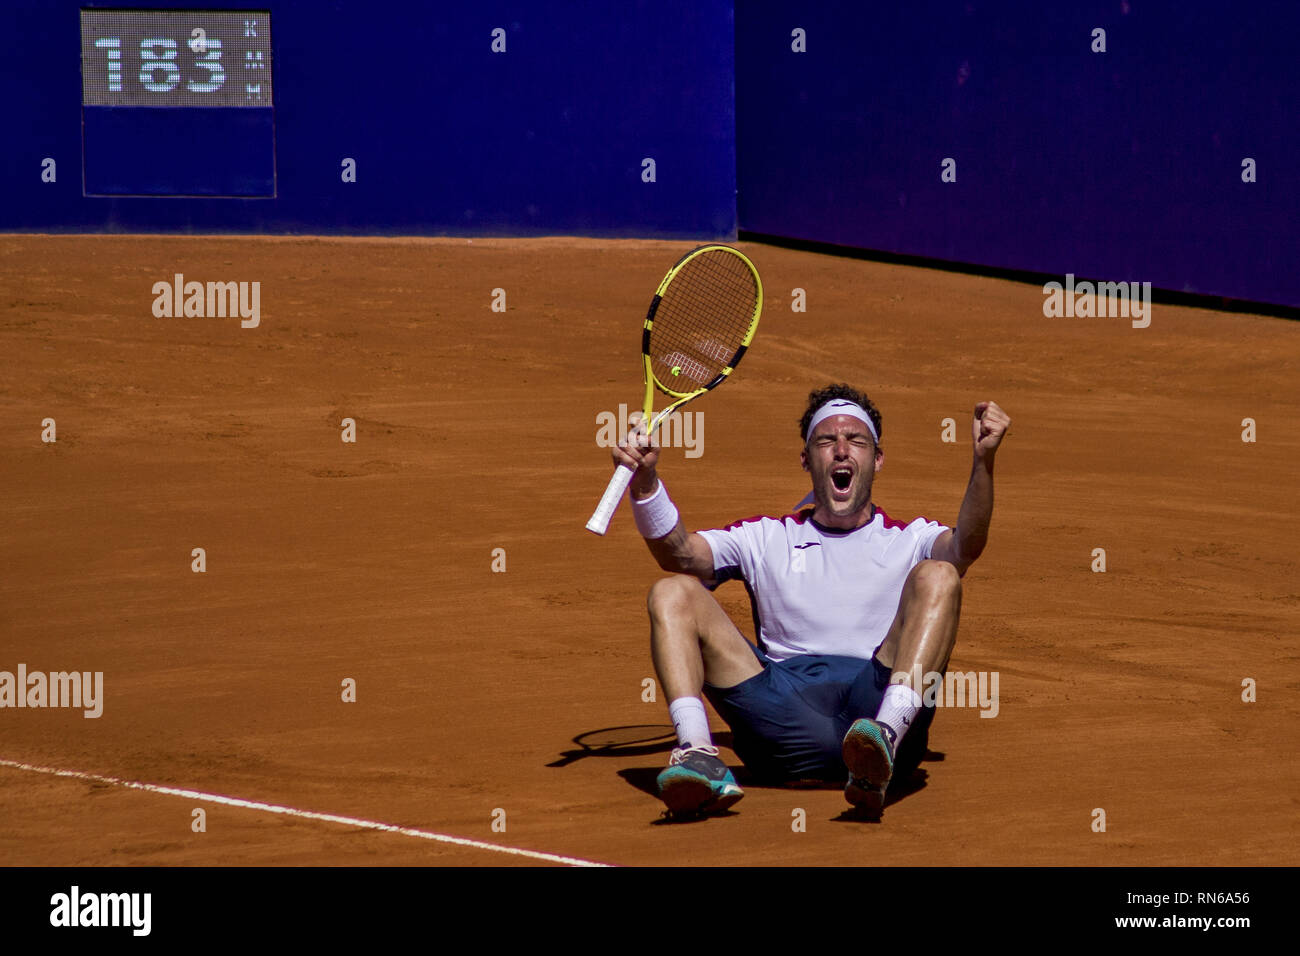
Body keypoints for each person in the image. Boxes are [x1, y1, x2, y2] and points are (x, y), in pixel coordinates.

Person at [611, 383, 1010, 817]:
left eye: (856, 440)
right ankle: (699, 754)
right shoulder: (766, 537)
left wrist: (983, 461)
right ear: (806, 460)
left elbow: (967, 544)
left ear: (877, 459)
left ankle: (884, 740)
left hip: (874, 700)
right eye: (826, 440)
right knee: (673, 590)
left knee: (941, 574)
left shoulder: (911, 539)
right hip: (781, 713)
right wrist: (646, 482)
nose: (841, 450)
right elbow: (681, 554)